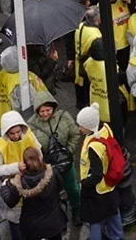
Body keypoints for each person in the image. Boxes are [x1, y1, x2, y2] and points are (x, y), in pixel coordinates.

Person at [26, 90, 82, 223]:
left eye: (48, 110)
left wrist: (68, 151)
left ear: (53, 107)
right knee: (51, 192)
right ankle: (58, 215)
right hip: (47, 167)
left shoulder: (64, 117)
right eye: (42, 111)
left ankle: (77, 210)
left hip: (65, 162)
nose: (45, 113)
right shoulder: (31, 126)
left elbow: (75, 135)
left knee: (72, 188)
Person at [0, 146, 67, 240]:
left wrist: (4, 186)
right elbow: (60, 187)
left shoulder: (21, 182)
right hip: (54, 222)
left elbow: (10, 201)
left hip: (32, 226)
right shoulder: (53, 173)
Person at [77, 103, 123, 240]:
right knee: (113, 213)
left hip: (96, 189)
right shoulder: (105, 129)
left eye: (81, 126)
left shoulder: (93, 147)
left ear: (89, 126)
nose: (79, 128)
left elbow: (97, 174)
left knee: (95, 220)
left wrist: (85, 183)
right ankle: (117, 236)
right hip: (109, 185)